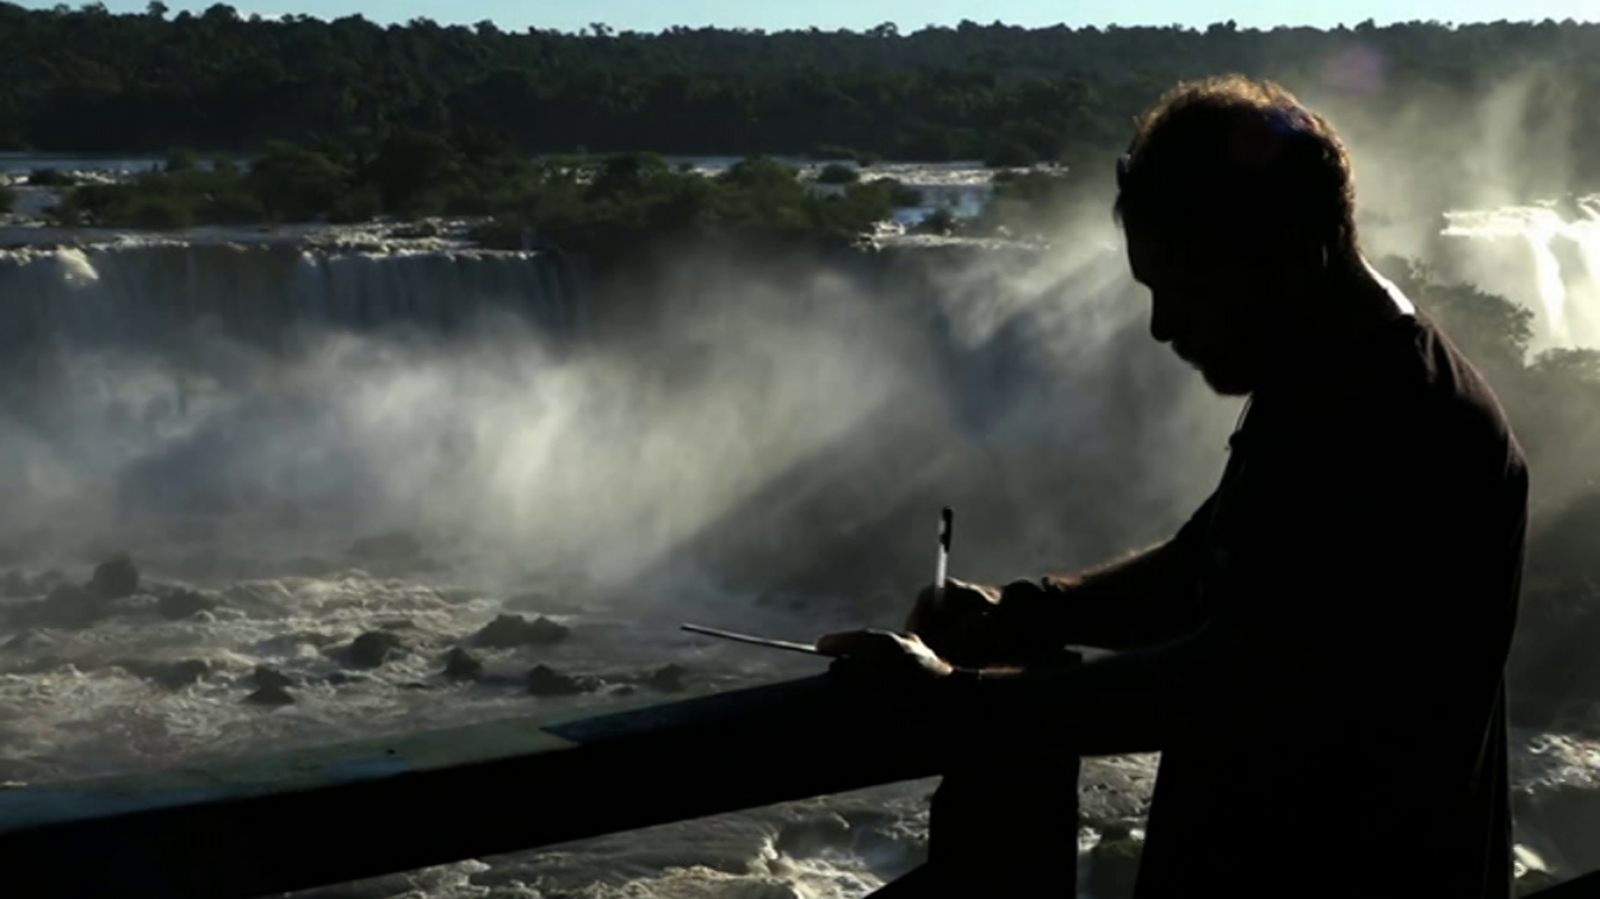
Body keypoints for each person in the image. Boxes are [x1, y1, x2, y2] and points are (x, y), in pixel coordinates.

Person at [816, 74, 1528, 898]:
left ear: (1292, 251)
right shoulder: (1326, 377)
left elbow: (1231, 678)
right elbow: (1207, 566)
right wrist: (1029, 609)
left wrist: (954, 701)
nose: (1162, 325)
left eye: (1182, 288)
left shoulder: (1396, 421)